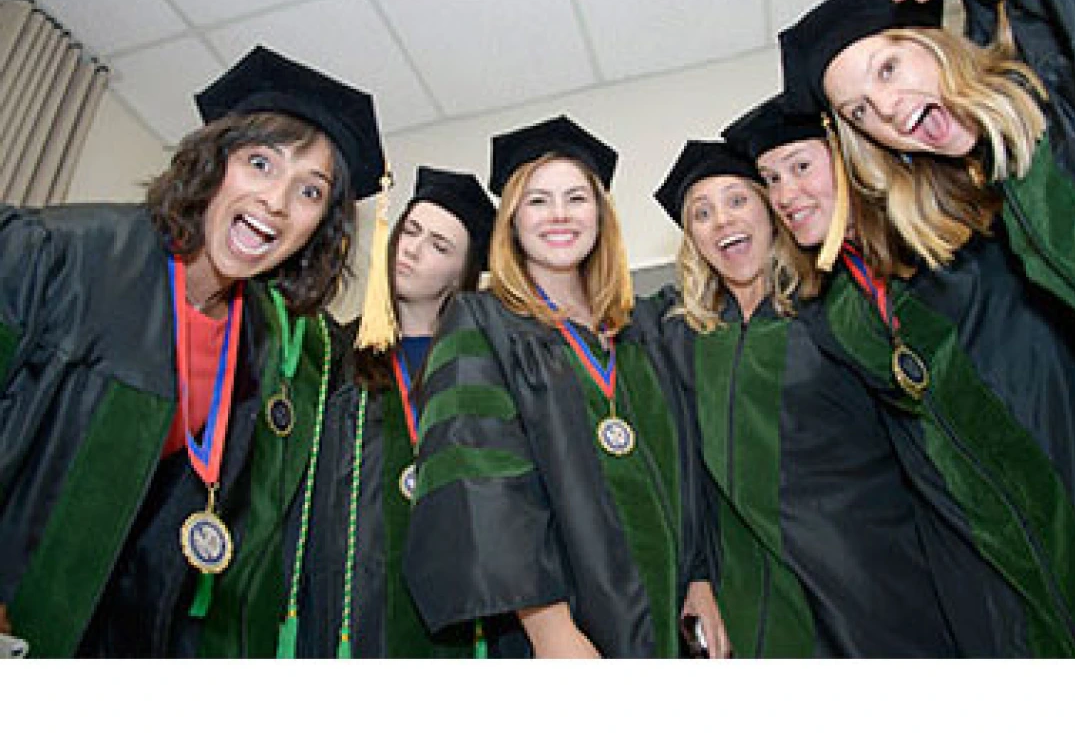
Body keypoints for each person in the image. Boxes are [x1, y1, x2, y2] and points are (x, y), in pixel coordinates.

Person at [0, 44, 384, 657]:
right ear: (214, 162)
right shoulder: (60, 256)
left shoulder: (256, 344)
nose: (277, 202)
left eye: (310, 192)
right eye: (261, 163)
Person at [725, 93, 1075, 655]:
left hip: (1073, 468)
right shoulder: (838, 306)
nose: (785, 195)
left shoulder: (952, 228)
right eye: (770, 180)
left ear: (847, 157)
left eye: (801, 167)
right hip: (977, 535)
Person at [403, 114, 726, 657]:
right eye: (537, 200)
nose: (558, 214)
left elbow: (689, 463)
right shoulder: (481, 321)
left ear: (600, 215)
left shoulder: (641, 327)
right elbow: (483, 481)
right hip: (565, 627)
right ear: (511, 221)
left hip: (673, 612)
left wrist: (699, 580)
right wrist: (548, 628)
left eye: (576, 198)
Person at [780, 0, 1075, 373]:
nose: (885, 108)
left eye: (888, 68)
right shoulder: (1002, 189)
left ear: (938, 47)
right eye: (860, 112)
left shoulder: (1057, 90)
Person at [279, 165, 495, 658]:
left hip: (453, 596)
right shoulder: (336, 351)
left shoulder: (480, 364)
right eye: (411, 232)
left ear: (460, 274)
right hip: (350, 596)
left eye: (439, 246)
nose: (413, 250)